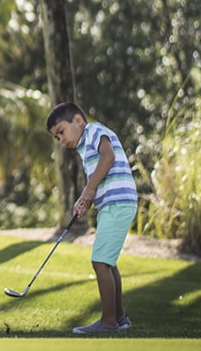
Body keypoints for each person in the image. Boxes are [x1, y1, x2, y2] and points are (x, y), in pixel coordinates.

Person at [46, 101, 138, 334]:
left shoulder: (94, 130)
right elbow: (98, 178)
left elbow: (108, 157)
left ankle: (108, 323)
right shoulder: (83, 145)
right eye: (57, 138)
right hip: (113, 203)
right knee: (108, 262)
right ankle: (119, 318)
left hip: (118, 202)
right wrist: (84, 199)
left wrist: (89, 191)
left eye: (61, 132)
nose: (62, 140)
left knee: (99, 262)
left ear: (77, 120)